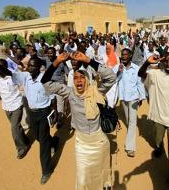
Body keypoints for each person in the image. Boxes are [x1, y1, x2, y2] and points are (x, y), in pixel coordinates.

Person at [41, 51, 116, 190]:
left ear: (87, 80)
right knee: (82, 180)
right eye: (75, 78)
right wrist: (57, 62)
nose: (79, 80)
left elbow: (111, 77)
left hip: (99, 141)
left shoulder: (97, 91)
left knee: (101, 176)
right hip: (81, 144)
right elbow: (45, 83)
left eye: (82, 77)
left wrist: (88, 60)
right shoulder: (69, 93)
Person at [0, 56, 59, 184]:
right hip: (32, 114)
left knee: (43, 143)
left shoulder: (45, 78)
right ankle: (54, 142)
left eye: (33, 66)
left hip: (44, 113)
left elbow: (53, 97)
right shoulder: (25, 76)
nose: (30, 68)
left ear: (39, 68)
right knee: (38, 137)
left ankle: (46, 170)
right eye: (29, 65)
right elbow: (9, 72)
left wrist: (55, 112)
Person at [138, 53, 169, 189]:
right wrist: (147, 63)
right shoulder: (155, 75)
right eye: (166, 61)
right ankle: (159, 148)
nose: (168, 63)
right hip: (158, 117)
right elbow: (140, 74)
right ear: (162, 62)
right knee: (158, 140)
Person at [117, 48, 146, 157]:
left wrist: (141, 97)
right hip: (124, 98)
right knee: (129, 120)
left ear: (130, 56)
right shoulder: (119, 67)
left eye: (125, 55)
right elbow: (114, 80)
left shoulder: (136, 68)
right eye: (122, 55)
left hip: (134, 97)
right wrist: (118, 71)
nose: (123, 57)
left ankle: (130, 147)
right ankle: (130, 134)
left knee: (132, 122)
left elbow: (140, 83)